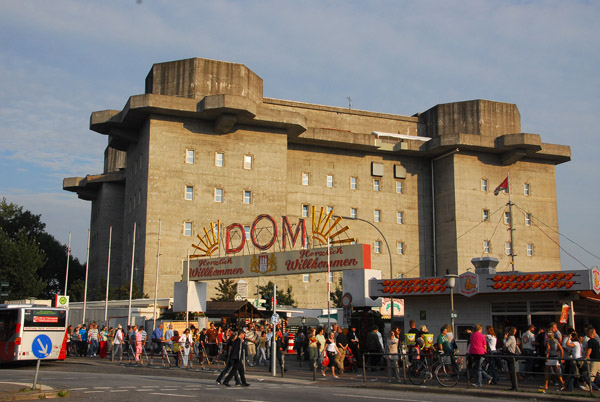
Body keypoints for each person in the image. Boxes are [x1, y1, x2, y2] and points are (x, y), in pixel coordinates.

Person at [504, 326, 520, 391]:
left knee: (512, 370)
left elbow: (506, 345)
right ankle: (514, 385)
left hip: (510, 354)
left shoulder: (510, 337)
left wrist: (505, 339)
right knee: (512, 370)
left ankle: (514, 386)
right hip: (512, 353)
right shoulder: (513, 337)